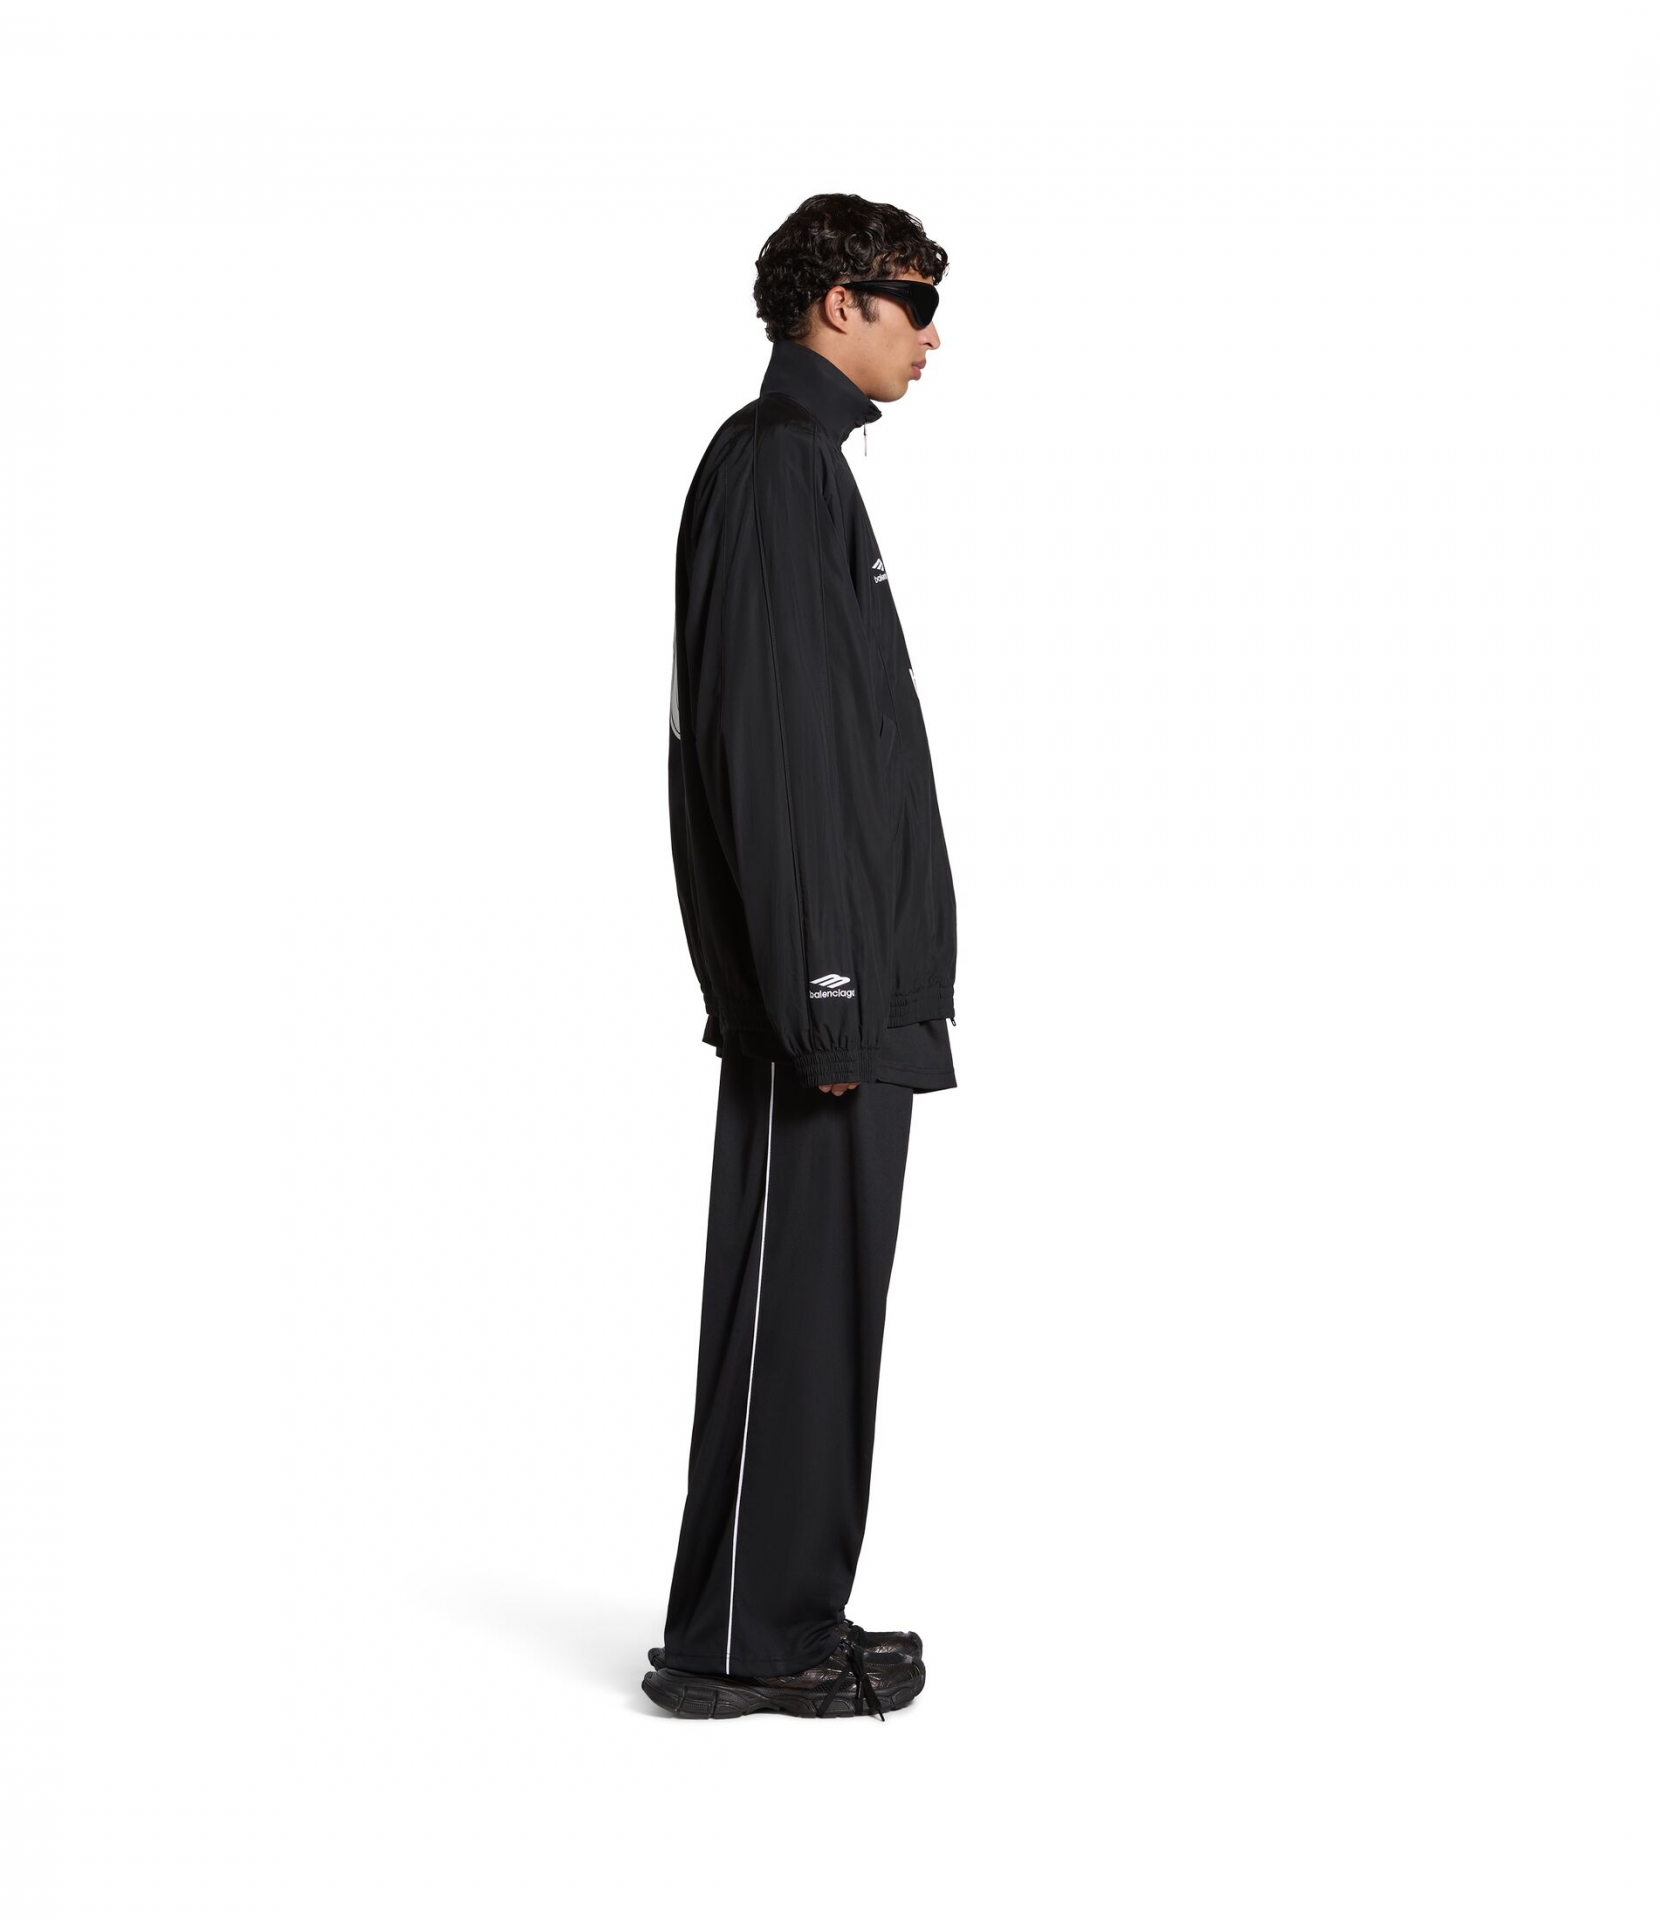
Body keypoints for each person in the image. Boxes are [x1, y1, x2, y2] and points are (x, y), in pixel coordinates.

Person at [644, 193, 959, 1720]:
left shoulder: (807, 470)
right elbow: (775, 753)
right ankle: (741, 1646)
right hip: (818, 994)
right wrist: (825, 989)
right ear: (839, 304)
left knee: (825, 1318)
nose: (932, 336)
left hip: (851, 981)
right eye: (913, 301)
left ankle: (785, 1610)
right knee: (792, 1313)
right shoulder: (774, 468)